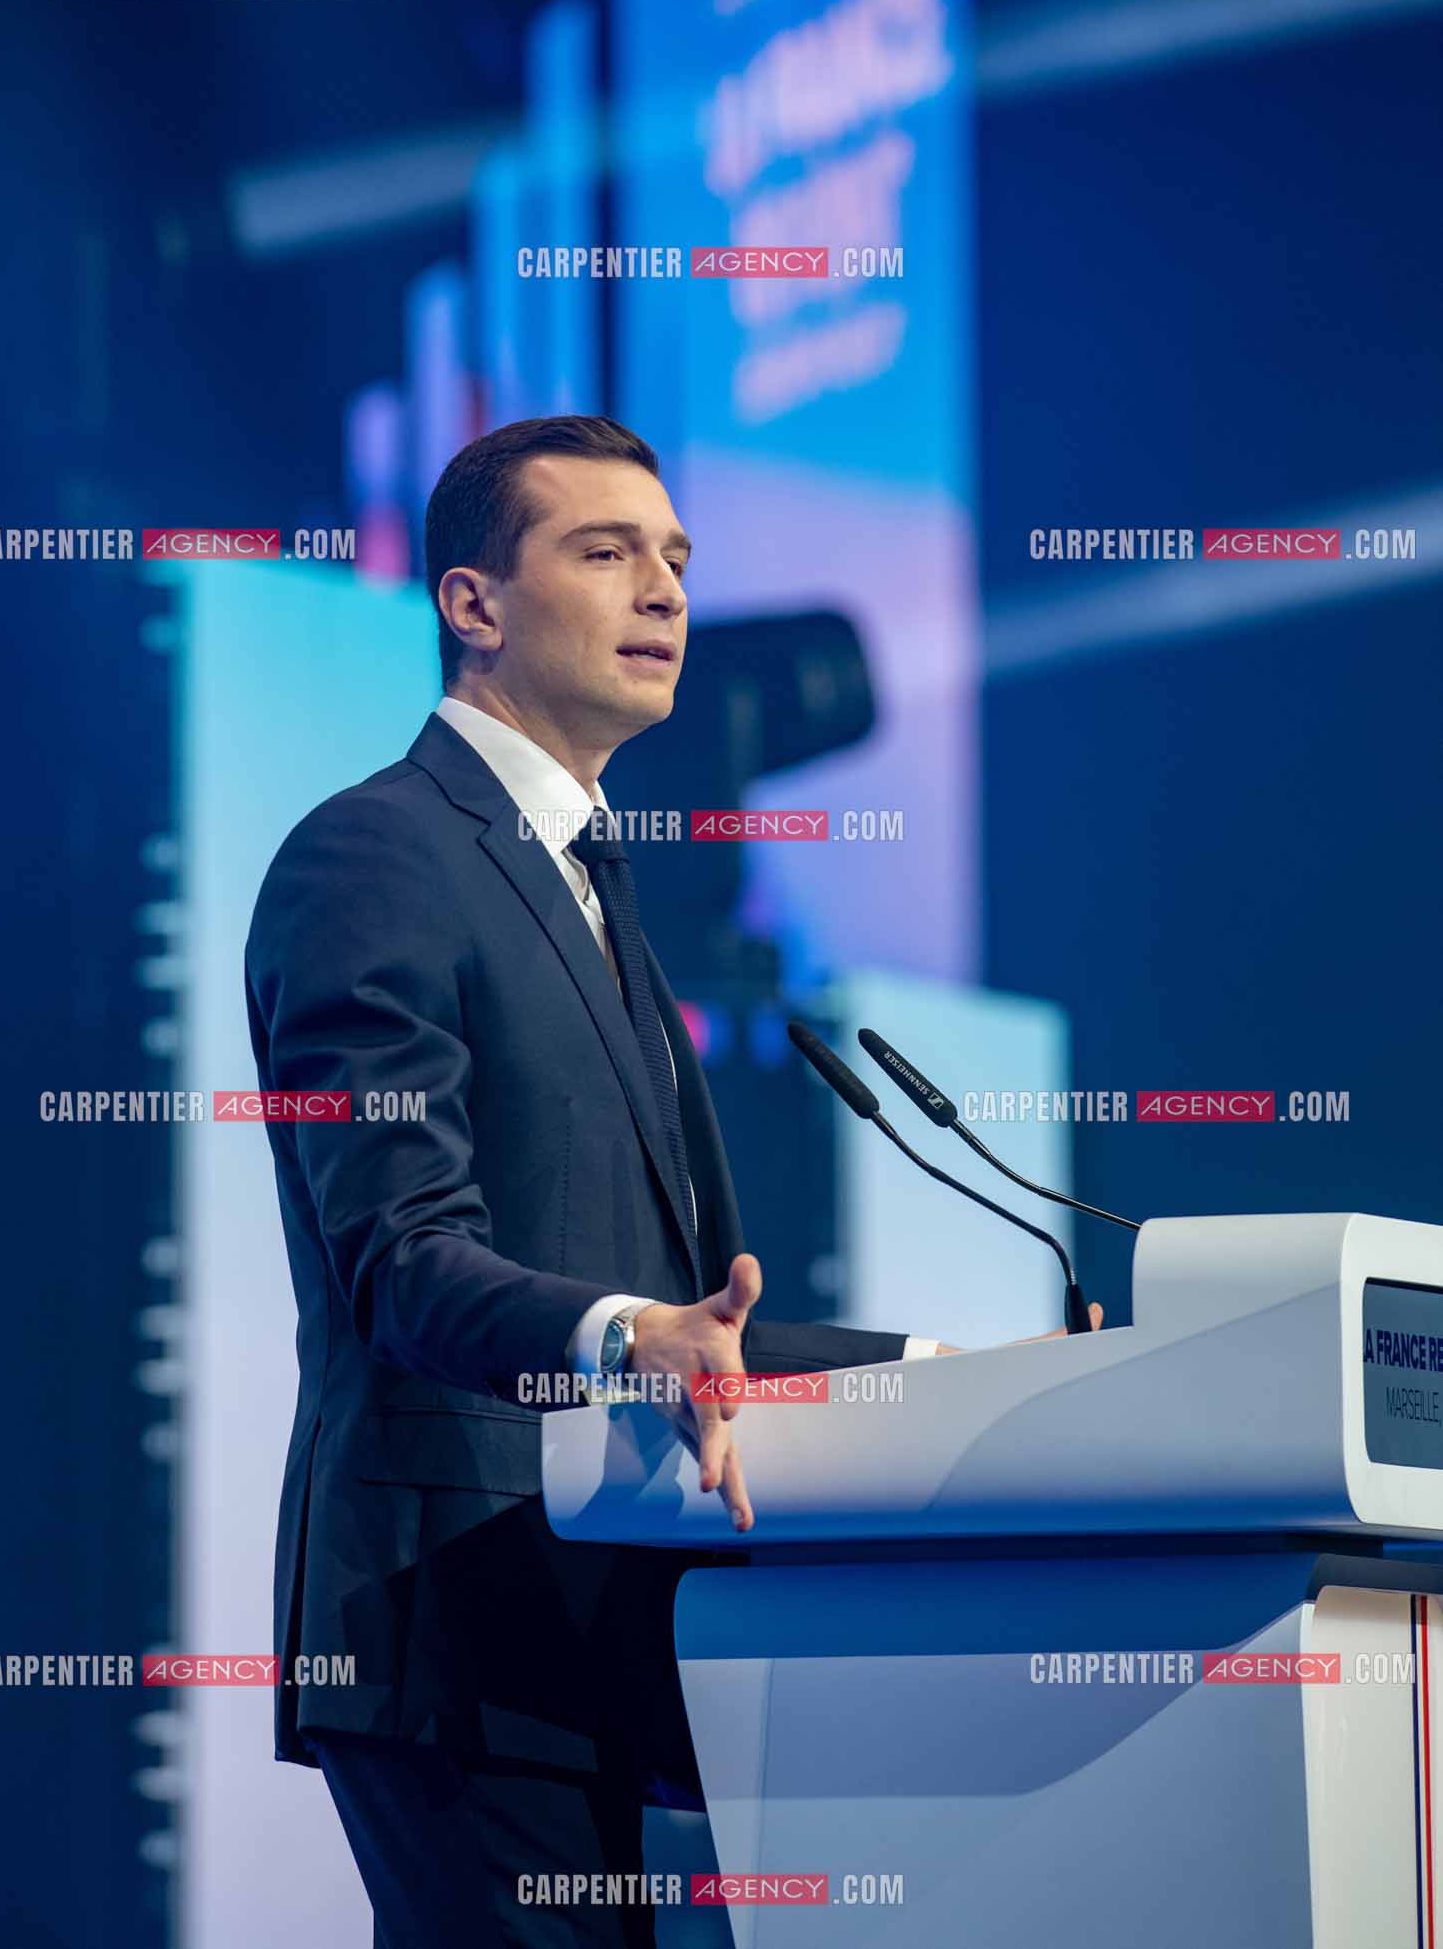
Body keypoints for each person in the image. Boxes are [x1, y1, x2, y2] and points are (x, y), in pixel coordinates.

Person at [245, 413, 1100, 1946]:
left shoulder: (592, 885)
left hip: (600, 1631)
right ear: (473, 603)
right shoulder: (374, 855)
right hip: (459, 1621)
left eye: (679, 559)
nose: (665, 590)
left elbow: (693, 1314)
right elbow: (402, 1259)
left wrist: (954, 1377)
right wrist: (625, 1337)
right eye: (606, 550)